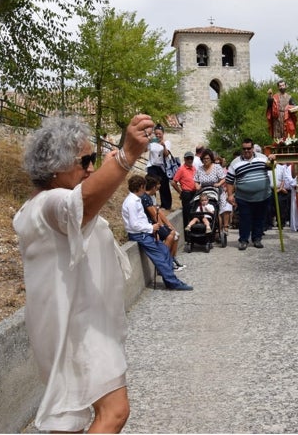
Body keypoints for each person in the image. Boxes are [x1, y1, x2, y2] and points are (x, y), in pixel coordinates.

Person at [13, 114, 152, 432]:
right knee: (114, 411)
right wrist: (125, 156)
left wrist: (108, 166)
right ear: (54, 168)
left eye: (93, 160)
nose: (91, 167)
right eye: (85, 160)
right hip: (77, 328)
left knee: (69, 422)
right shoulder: (51, 204)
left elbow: (85, 201)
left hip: (70, 323)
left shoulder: (36, 206)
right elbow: (81, 205)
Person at [122, 175, 193, 291]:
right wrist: (151, 227)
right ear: (141, 186)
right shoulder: (131, 202)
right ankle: (173, 283)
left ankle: (170, 279)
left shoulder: (136, 200)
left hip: (145, 232)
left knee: (165, 251)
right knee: (160, 257)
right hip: (140, 234)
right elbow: (134, 224)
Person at [226, 138, 273, 250]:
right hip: (244, 197)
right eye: (244, 149)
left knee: (260, 218)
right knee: (244, 219)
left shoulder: (262, 158)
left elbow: (271, 167)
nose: (246, 151)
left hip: (263, 195)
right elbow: (229, 180)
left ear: (253, 148)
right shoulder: (235, 163)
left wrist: (272, 160)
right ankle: (243, 240)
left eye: (249, 148)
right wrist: (230, 195)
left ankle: (257, 239)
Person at [142, 175, 180, 261]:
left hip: (153, 223)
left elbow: (157, 213)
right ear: (153, 186)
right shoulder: (146, 198)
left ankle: (171, 259)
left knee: (174, 234)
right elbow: (154, 214)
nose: (159, 186)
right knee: (171, 236)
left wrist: (167, 225)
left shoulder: (149, 197)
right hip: (151, 225)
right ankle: (164, 260)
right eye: (158, 184)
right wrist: (162, 226)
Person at [146, 124, 173, 210]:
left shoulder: (167, 142)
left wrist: (163, 146)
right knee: (151, 184)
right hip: (152, 165)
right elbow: (145, 150)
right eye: (156, 133)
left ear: (163, 133)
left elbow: (166, 154)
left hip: (162, 167)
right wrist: (148, 141)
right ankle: (152, 203)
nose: (158, 135)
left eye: (159, 134)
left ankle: (166, 205)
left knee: (164, 185)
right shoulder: (152, 143)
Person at [171, 151, 197, 230]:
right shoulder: (181, 169)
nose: (189, 160)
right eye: (188, 158)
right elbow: (173, 182)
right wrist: (180, 192)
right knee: (187, 213)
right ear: (185, 159)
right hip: (187, 194)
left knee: (195, 213)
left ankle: (194, 230)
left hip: (195, 193)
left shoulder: (194, 168)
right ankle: (187, 234)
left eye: (191, 158)